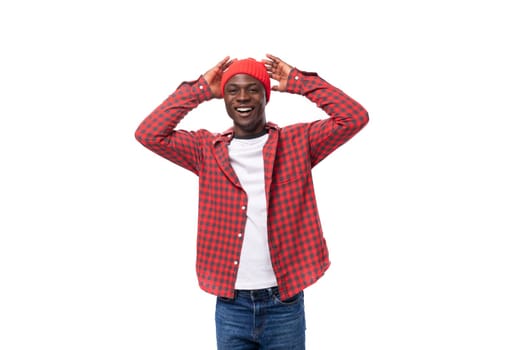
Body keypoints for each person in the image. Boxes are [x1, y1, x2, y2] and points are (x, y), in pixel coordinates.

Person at [135, 54, 369, 349]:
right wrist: (201, 90)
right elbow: (148, 133)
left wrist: (300, 82)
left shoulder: (298, 143)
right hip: (232, 304)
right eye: (233, 89)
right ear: (224, 97)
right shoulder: (205, 150)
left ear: (265, 95)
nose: (242, 97)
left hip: (284, 301)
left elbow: (354, 117)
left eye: (253, 89)